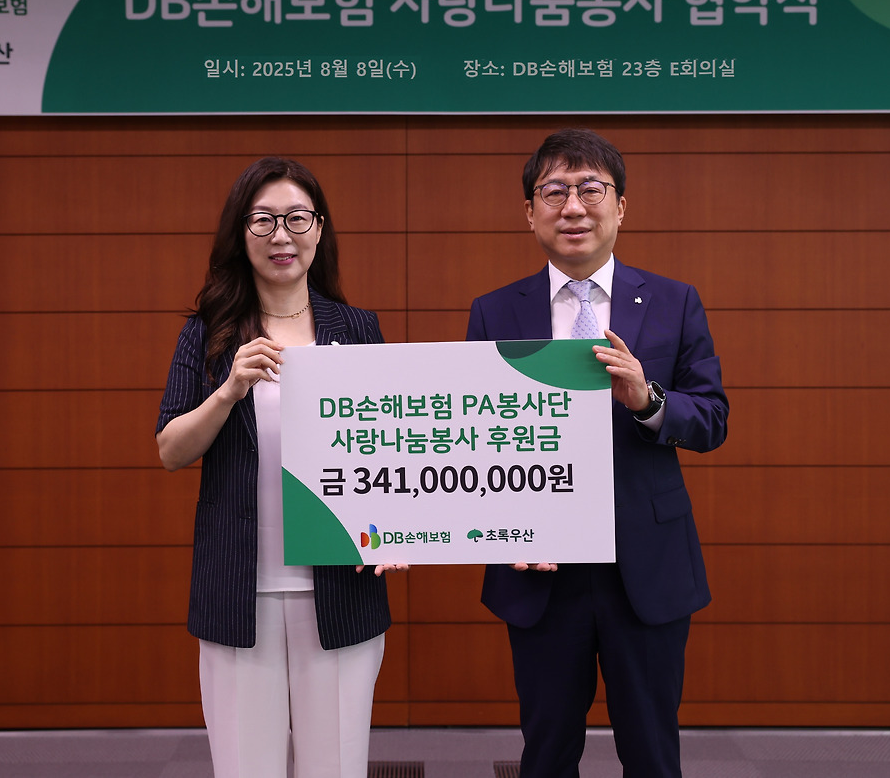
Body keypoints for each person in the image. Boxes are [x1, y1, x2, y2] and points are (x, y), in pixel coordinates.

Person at [466, 129, 728, 778]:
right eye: (554, 191)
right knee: (547, 751)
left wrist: (648, 399)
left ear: (621, 206)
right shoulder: (495, 311)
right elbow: (478, 435)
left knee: (652, 753)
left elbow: (712, 418)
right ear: (530, 212)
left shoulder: (674, 301)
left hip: (646, 563)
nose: (573, 207)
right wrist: (504, 525)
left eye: (591, 189)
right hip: (541, 568)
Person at [155, 157, 405, 778]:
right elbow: (171, 450)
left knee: (336, 766)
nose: (281, 235)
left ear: (319, 230)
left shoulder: (358, 329)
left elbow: (387, 449)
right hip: (239, 590)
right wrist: (228, 390)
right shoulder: (208, 333)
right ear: (240, 233)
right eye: (263, 220)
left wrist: (398, 528)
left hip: (341, 588)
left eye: (297, 218)